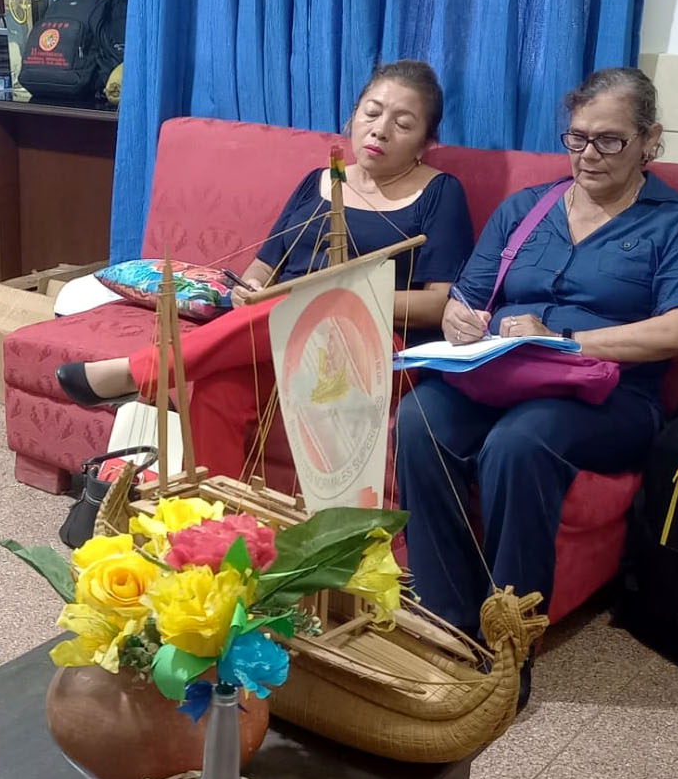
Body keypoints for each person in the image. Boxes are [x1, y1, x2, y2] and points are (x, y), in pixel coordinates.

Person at [395, 67, 678, 703]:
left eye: (610, 140)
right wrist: (462, 318)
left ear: (650, 140)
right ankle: (445, 616)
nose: (589, 155)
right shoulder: (526, 208)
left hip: (614, 396)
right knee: (420, 416)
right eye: (577, 138)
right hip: (509, 377)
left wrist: (565, 341)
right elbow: (468, 297)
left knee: (521, 442)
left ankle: (509, 648)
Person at [56, 60, 474, 479]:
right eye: (372, 112)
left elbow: (439, 303)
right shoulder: (318, 182)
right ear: (353, 117)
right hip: (281, 332)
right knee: (218, 388)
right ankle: (216, 516)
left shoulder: (439, 192)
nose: (380, 130)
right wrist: (251, 287)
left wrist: (338, 298)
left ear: (424, 143)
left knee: (301, 304)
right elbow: (263, 267)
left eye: (402, 124)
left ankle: (137, 371)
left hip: (378, 345)